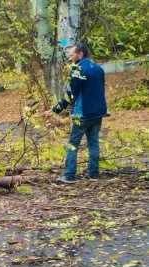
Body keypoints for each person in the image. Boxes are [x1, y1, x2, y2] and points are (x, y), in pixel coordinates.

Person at [51, 42, 108, 184]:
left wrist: (57, 109)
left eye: (72, 55)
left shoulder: (77, 70)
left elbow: (70, 94)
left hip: (82, 115)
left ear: (80, 54)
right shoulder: (98, 68)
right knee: (93, 143)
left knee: (72, 144)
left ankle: (69, 175)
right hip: (98, 113)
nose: (70, 58)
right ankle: (94, 175)